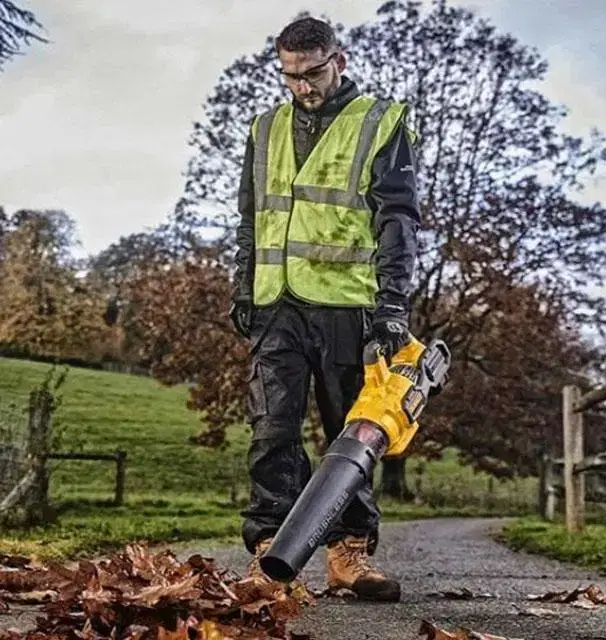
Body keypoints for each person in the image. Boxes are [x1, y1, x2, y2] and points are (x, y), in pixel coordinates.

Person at [230, 16, 420, 602]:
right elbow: (250, 217)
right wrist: (243, 285)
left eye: (311, 73)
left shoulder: (378, 123)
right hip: (275, 303)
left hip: (347, 306)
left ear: (338, 58)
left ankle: (349, 554)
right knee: (271, 431)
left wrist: (392, 306)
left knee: (353, 435)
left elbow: (397, 219)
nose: (302, 87)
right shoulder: (264, 129)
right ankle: (268, 559)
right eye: (290, 76)